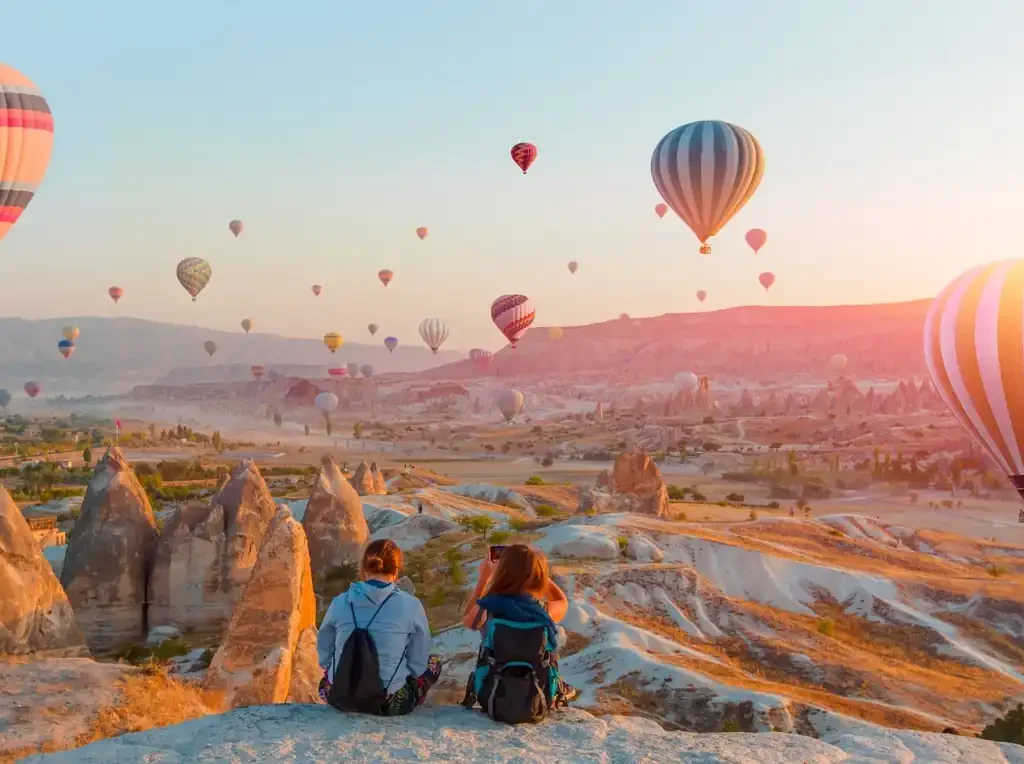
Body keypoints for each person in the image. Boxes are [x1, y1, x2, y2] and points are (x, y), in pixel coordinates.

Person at [317, 539, 442, 715]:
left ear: (364, 568)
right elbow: (417, 664)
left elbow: (324, 653)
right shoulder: (410, 605)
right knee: (434, 663)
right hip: (387, 704)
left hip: (340, 697)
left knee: (325, 682)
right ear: (397, 570)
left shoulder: (340, 602)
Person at [461, 544, 577, 722]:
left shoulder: (490, 608)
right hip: (537, 698)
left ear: (502, 573)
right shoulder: (543, 612)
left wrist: (485, 577)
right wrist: (535, 571)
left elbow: (469, 620)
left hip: (492, 695)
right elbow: (561, 600)